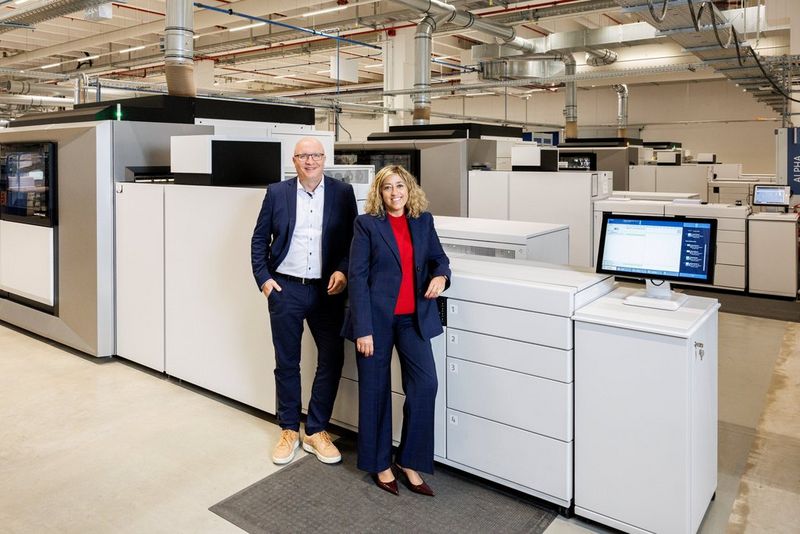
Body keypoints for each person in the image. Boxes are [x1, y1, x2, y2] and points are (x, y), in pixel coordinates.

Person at [342, 165, 450, 496]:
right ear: (379, 192)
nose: (395, 192)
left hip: (413, 319)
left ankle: (409, 460)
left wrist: (441, 276)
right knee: (375, 390)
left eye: (400, 185)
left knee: (426, 384)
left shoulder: (423, 221)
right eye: (387, 187)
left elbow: (439, 259)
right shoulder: (367, 224)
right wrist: (363, 329)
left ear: (409, 189)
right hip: (375, 321)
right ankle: (379, 463)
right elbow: (357, 277)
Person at [251, 137, 358, 465]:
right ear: (294, 160)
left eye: (315, 155)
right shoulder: (277, 193)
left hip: (327, 290)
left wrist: (342, 270)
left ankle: (315, 429)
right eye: (303, 156)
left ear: (324, 159)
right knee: (287, 361)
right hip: (286, 289)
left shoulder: (342, 193)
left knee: (332, 358)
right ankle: (288, 429)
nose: (309, 161)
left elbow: (352, 240)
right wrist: (265, 280)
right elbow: (259, 238)